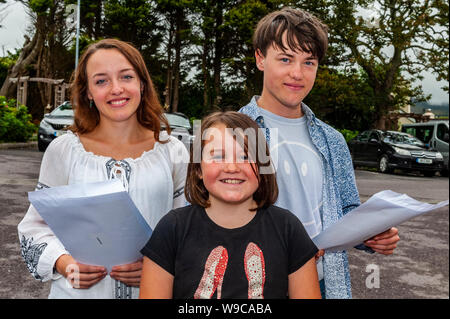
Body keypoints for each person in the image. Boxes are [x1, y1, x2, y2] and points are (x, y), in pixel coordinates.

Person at [239, 8, 400, 299]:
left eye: (308, 62)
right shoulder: (229, 134)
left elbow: (346, 211)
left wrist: (371, 234)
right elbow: (204, 215)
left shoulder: (333, 140)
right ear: (260, 58)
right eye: (286, 59)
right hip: (251, 286)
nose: (297, 73)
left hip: (323, 284)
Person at [17, 39, 189, 299]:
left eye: (126, 76)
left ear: (142, 83)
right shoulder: (63, 150)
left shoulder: (172, 151)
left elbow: (189, 230)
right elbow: (34, 228)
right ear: (87, 92)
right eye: (101, 81)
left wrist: (160, 266)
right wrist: (65, 263)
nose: (116, 89)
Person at [139, 111, 321, 299]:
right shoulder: (172, 229)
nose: (232, 168)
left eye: (244, 157)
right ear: (198, 168)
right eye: (218, 156)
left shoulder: (288, 228)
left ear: (261, 165)